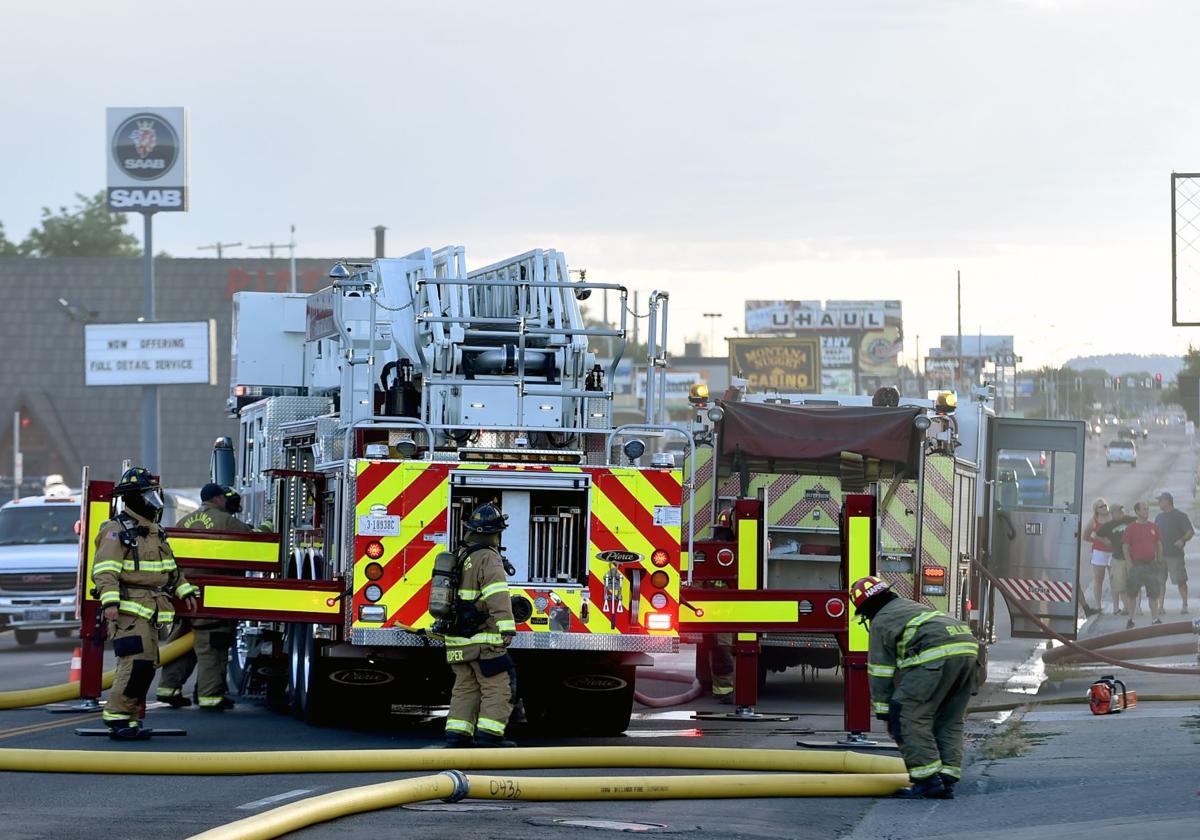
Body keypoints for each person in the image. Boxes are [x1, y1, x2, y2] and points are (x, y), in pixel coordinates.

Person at [91, 467, 199, 740]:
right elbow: (105, 571)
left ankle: (126, 718)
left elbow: (170, 568)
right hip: (128, 609)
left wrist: (184, 590)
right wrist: (110, 603)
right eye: (147, 495)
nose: (153, 501)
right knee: (135, 663)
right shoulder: (116, 531)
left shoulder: (154, 531)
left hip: (152, 608)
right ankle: (116, 716)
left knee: (147, 664)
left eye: (154, 495)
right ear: (133, 498)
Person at [853, 574, 981, 800]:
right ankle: (947, 778)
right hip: (969, 652)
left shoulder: (881, 620)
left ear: (866, 608)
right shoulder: (910, 607)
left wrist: (885, 711)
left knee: (907, 716)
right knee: (949, 718)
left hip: (937, 656)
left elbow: (880, 670)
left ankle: (927, 781)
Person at [156, 484, 251, 711]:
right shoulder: (226, 521)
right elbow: (251, 540)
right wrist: (265, 528)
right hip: (212, 597)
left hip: (184, 595)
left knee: (181, 645)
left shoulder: (184, 522)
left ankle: (168, 688)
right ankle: (211, 696)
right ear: (218, 498)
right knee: (212, 646)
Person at [442, 502, 517, 748]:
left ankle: (457, 734)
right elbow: (497, 595)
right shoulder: (489, 558)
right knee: (497, 685)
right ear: (496, 533)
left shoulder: (463, 555)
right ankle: (490, 736)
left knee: (465, 686)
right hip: (484, 638)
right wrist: (507, 627)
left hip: (458, 638)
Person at [1122, 501, 1164, 628]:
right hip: (1137, 565)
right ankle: (1131, 619)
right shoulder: (1131, 528)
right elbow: (1125, 546)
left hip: (1151, 564)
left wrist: (1159, 560)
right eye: (1144, 509)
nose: (1147, 511)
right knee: (1132, 593)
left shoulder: (1153, 526)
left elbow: (1159, 543)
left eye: (1147, 509)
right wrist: (1129, 564)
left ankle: (1155, 618)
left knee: (1154, 593)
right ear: (1137, 512)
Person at [1155, 492, 1192, 614]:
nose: (1159, 503)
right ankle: (1160, 606)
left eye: (1160, 500)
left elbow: (1190, 531)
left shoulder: (1180, 516)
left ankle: (1185, 604)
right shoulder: (1159, 517)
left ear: (1167, 501)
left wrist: (1182, 540)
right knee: (1160, 582)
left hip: (1175, 555)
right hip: (1160, 555)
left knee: (1180, 580)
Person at [1096, 503, 1135, 617]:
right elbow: (1096, 535)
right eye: (1119, 511)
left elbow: (1142, 522)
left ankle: (1134, 607)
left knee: (1133, 584)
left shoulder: (1130, 520)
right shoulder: (1109, 525)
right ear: (1113, 514)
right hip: (1118, 558)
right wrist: (1105, 542)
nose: (1122, 513)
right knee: (1120, 585)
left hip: (1132, 557)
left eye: (1123, 511)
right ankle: (1127, 608)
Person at [1081, 499, 1113, 615]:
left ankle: (1116, 605)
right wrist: (1096, 541)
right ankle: (1098, 605)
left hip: (1113, 552)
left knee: (1114, 579)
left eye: (1105, 505)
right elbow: (1085, 535)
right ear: (1096, 510)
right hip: (1099, 553)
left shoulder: (1113, 517)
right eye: (1101, 507)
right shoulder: (1094, 520)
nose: (1104, 508)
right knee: (1098, 579)